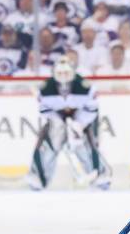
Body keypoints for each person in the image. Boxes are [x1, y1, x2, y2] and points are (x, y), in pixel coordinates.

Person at [28, 55, 111, 191]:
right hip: (57, 117)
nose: (63, 77)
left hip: (81, 117)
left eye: (66, 73)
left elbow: (92, 108)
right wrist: (57, 121)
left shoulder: (85, 86)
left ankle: (100, 176)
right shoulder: (45, 88)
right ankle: (39, 177)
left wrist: (79, 123)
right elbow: (44, 109)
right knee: (51, 142)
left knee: (84, 144)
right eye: (60, 73)